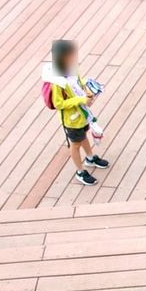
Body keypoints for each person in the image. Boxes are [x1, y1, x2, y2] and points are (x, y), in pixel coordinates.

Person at [41, 40, 109, 185]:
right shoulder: (57, 83)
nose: (75, 58)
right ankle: (80, 171)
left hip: (82, 115)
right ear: (63, 57)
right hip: (71, 120)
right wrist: (80, 100)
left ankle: (90, 158)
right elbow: (59, 104)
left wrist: (87, 86)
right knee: (75, 144)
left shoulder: (71, 70)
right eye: (72, 55)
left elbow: (78, 81)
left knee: (83, 136)